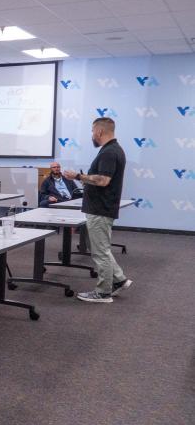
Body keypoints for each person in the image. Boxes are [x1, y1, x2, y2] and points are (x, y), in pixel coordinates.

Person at [63, 117, 131, 303]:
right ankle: (119, 280)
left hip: (100, 208)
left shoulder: (109, 152)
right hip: (101, 207)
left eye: (93, 131)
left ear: (100, 131)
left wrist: (78, 176)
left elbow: (103, 180)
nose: (92, 135)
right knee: (102, 249)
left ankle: (103, 293)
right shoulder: (112, 149)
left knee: (100, 252)